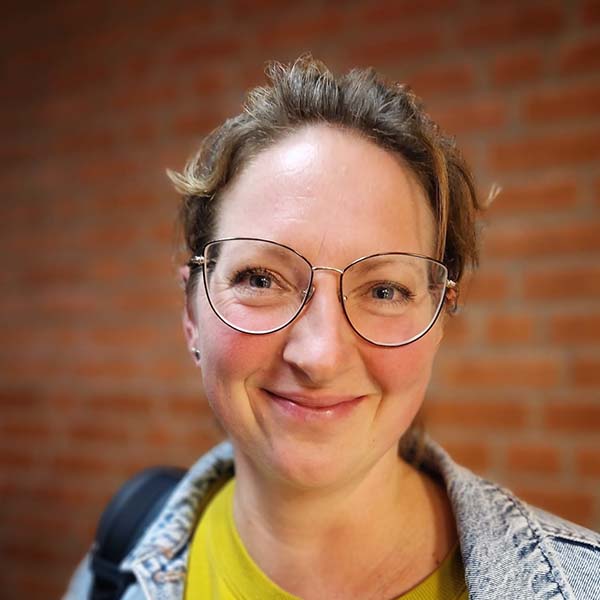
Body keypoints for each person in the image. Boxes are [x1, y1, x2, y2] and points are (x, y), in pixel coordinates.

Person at [64, 56, 600, 600]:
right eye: (260, 279)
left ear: (438, 320)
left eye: (384, 290)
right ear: (191, 314)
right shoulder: (113, 566)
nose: (320, 356)